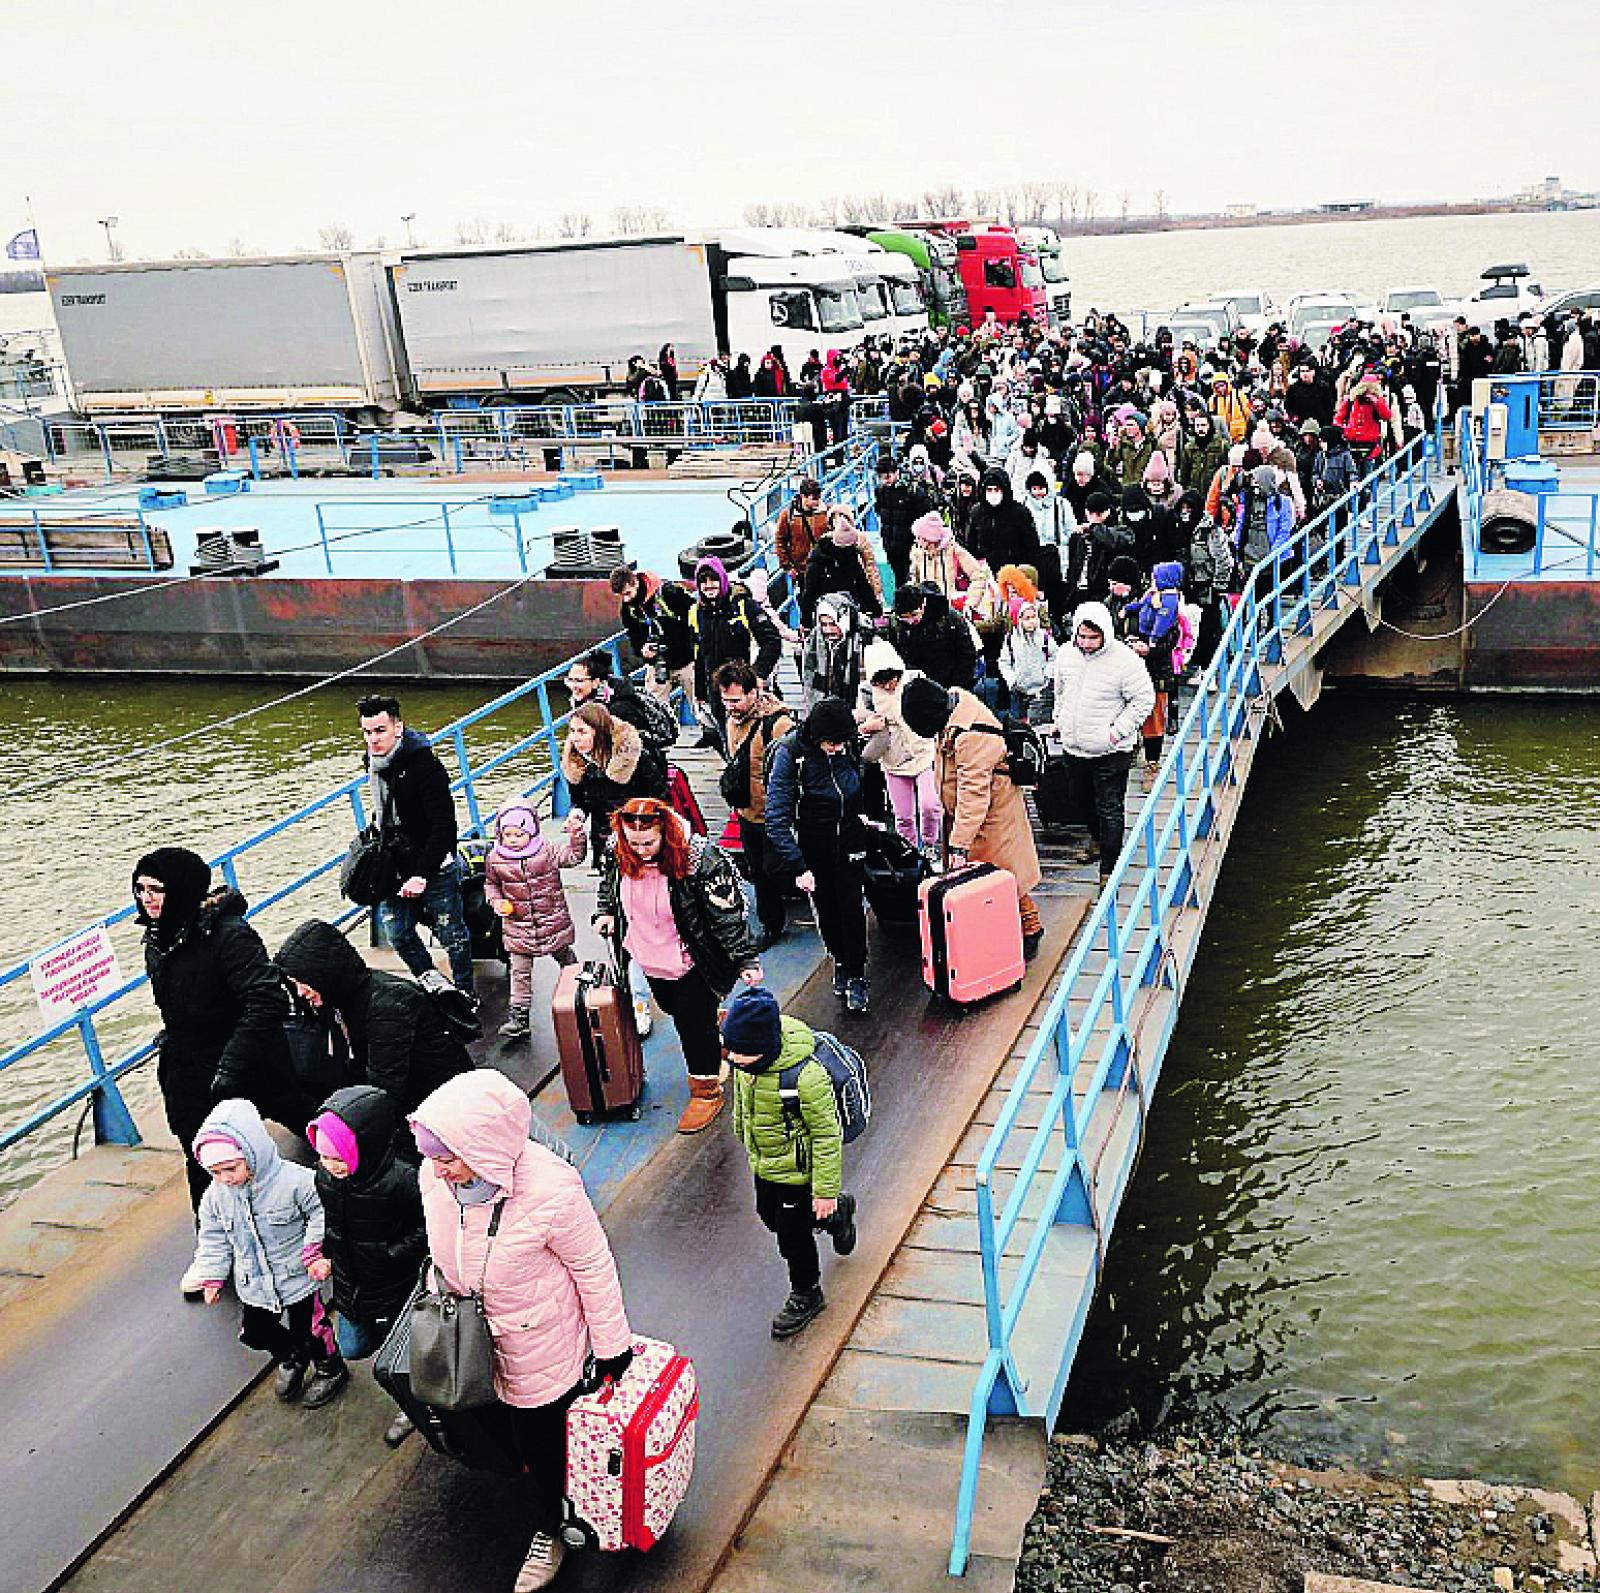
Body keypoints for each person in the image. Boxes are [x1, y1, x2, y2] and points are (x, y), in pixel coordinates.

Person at [411, 1069, 633, 1592]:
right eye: (431, 1157)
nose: (437, 1170)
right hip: (471, 1344)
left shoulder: (552, 1188)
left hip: (540, 1348)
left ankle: (550, 1528)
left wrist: (612, 1346)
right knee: (498, 1434)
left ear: (482, 1148)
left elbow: (592, 1266)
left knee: (544, 1445)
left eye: (447, 1158)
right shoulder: (434, 1179)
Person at [134, 846, 293, 1231]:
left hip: (243, 1060)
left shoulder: (229, 936)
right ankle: (213, 1237)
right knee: (199, 1153)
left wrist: (232, 1066)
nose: (146, 899)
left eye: (156, 890)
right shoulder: (157, 940)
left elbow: (267, 999)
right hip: (187, 1065)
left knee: (275, 1132)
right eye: (140, 889)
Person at [594, 798, 762, 1133]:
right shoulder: (619, 852)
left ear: (665, 834)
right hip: (649, 954)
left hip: (693, 958)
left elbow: (726, 915)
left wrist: (745, 958)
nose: (640, 850)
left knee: (690, 1023)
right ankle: (713, 1026)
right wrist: (606, 911)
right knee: (673, 1007)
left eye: (648, 843)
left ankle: (706, 1088)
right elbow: (610, 885)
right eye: (633, 843)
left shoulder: (701, 861)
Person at [187, 1097, 347, 1409]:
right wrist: (212, 1276)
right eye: (215, 1172)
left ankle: (330, 1367)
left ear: (252, 1154)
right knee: (255, 1332)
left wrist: (314, 1251)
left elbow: (320, 1213)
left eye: (231, 1168)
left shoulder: (295, 1181)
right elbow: (213, 1238)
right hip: (255, 1282)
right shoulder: (216, 1197)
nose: (225, 1178)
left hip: (297, 1276)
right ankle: (291, 1354)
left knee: (312, 1329)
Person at [722, 987, 857, 1341]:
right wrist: (743, 1133)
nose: (732, 1057)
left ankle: (807, 1292)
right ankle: (836, 1215)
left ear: (765, 1047)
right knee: (769, 1217)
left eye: (739, 1051)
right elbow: (744, 1104)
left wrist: (824, 1190)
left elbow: (827, 1135)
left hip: (797, 1173)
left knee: (792, 1236)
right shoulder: (747, 1063)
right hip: (765, 1162)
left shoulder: (805, 1077)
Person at [274, 919, 475, 1140]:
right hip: (412, 1092)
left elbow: (385, 1090)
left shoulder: (388, 1006)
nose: (300, 992)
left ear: (325, 973)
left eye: (303, 982)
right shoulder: (343, 999)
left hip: (443, 1105)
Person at [307, 1085, 427, 1446]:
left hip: (394, 1286)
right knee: (353, 1347)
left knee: (398, 1359)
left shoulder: (401, 1180)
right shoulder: (326, 1179)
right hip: (351, 1284)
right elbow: (333, 1222)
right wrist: (325, 1253)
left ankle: (414, 1406)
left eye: (338, 1158)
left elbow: (427, 1226)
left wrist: (391, 1253)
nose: (331, 1166)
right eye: (324, 1157)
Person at [898, 677, 1046, 959]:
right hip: (970, 817)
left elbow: (974, 795)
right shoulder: (953, 711)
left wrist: (958, 845)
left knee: (1004, 878)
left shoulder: (971, 736)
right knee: (993, 880)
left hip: (992, 818)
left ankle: (1030, 929)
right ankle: (1005, 931)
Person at [357, 695, 475, 1000]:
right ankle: (435, 985)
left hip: (433, 864)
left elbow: (444, 827)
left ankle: (465, 994)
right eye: (367, 732)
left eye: (380, 730)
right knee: (398, 933)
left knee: (452, 935)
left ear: (398, 728)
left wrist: (423, 874)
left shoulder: (426, 767)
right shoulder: (373, 763)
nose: (373, 740)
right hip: (395, 864)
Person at [764, 698, 873, 1015]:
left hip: (850, 835)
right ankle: (839, 959)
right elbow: (776, 816)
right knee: (827, 908)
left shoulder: (845, 747)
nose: (837, 749)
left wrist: (862, 813)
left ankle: (856, 972)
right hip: (815, 842)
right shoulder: (790, 755)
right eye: (832, 743)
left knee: (852, 906)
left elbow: (857, 779)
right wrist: (798, 865)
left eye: (842, 743)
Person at [1049, 602, 1156, 887]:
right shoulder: (1066, 654)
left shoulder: (1126, 661)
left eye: (1093, 638)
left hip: (1111, 750)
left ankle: (1109, 868)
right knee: (1080, 798)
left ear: (1105, 634)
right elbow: (1060, 691)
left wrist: (1116, 733)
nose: (1086, 643)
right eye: (1081, 636)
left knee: (1109, 806)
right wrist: (1059, 719)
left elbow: (1144, 699)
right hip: (1074, 745)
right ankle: (1097, 840)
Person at [484, 805, 588, 1042]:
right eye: (507, 834)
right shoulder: (495, 858)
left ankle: (580, 991)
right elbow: (491, 884)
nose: (513, 840)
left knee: (565, 958)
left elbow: (573, 857)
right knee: (519, 972)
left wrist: (577, 837)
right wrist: (496, 901)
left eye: (519, 834)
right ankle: (519, 1018)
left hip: (551, 920)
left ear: (531, 832)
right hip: (518, 926)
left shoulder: (547, 851)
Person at [714, 661, 795, 949]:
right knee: (759, 870)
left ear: (753, 693)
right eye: (726, 700)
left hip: (775, 814)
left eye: (736, 700)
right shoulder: (731, 721)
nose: (730, 707)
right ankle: (772, 923)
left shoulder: (777, 724)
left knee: (774, 868)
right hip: (747, 811)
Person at [857, 639, 942, 860]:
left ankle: (930, 844)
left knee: (930, 805)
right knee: (903, 815)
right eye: (880, 682)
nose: (888, 686)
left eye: (891, 679)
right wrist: (867, 726)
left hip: (923, 750)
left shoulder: (916, 679)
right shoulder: (866, 692)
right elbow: (860, 724)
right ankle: (909, 851)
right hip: (892, 757)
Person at [688, 556, 781, 724]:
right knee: (725, 737)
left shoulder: (743, 606)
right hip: (717, 694)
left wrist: (759, 675)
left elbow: (772, 640)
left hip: (746, 690)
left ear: (722, 579)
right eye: (703, 581)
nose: (709, 585)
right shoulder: (697, 613)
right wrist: (700, 693)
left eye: (713, 579)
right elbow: (700, 655)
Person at [1125, 562, 1186, 788]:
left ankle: (1151, 763)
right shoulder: (1143, 601)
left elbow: (1170, 642)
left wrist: (1149, 648)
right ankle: (1132, 748)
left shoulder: (1170, 608)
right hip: (1131, 669)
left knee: (1154, 718)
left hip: (1156, 670)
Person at [563, 647, 678, 756]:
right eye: (569, 680)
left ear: (596, 682)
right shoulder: (587, 704)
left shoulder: (621, 709)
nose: (573, 686)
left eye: (579, 681)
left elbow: (634, 751)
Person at [608, 566, 696, 707]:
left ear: (635, 582)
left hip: (686, 659)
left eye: (628, 593)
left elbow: (695, 615)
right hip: (657, 663)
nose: (626, 599)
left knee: (701, 707)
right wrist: (642, 650)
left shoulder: (668, 593)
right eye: (622, 596)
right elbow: (634, 637)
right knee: (653, 710)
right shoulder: (628, 609)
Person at [889, 582, 979, 690]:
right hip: (915, 683)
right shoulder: (896, 624)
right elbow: (895, 654)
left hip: (950, 680)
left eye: (914, 615)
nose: (910, 621)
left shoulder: (950, 619)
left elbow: (967, 655)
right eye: (905, 617)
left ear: (923, 604)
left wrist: (957, 686)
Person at [799, 511, 883, 626]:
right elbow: (809, 591)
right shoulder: (818, 560)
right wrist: (806, 622)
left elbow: (862, 582)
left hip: (848, 605)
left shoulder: (850, 554)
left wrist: (876, 610)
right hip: (827, 607)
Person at [800, 594, 867, 712]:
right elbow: (809, 676)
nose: (828, 630)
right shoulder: (815, 639)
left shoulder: (863, 639)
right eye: (823, 625)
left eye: (833, 624)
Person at [873, 452, 932, 587]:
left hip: (910, 546)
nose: (885, 481)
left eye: (888, 476)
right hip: (890, 545)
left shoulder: (913, 491)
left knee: (913, 580)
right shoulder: (881, 491)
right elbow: (880, 512)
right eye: (882, 478)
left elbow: (926, 515)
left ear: (896, 472)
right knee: (898, 579)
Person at [998, 599, 1058, 726]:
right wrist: (1012, 680)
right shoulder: (1010, 640)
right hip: (1019, 690)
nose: (1031, 621)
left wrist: (1047, 674)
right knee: (1019, 724)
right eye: (1027, 618)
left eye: (1033, 617)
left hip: (1040, 689)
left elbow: (1055, 656)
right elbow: (1004, 662)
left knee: (1036, 722)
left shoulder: (1044, 637)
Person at [775, 478, 829, 584]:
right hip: (801, 569)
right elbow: (780, 540)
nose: (817, 502)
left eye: (819, 498)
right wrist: (787, 566)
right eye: (814, 499)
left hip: (824, 567)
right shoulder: (788, 515)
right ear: (803, 496)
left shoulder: (827, 512)